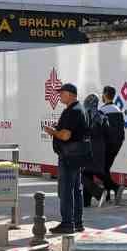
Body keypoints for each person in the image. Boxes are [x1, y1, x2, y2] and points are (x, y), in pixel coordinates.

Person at [46, 83, 90, 235]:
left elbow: (65, 135)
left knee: (66, 190)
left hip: (69, 156)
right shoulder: (78, 109)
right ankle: (77, 222)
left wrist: (52, 132)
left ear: (71, 94)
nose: (59, 95)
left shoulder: (74, 111)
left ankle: (67, 223)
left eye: (62, 93)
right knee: (76, 190)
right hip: (76, 156)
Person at [81, 93, 110, 209]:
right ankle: (86, 202)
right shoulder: (102, 116)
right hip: (100, 150)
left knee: (81, 174)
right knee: (87, 175)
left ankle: (98, 192)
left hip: (88, 148)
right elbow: (107, 133)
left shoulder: (85, 115)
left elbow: (83, 131)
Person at [99, 85, 126, 206]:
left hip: (106, 145)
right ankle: (108, 195)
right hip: (116, 145)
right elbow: (121, 132)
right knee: (105, 169)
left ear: (105, 94)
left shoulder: (103, 110)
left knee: (101, 169)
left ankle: (115, 188)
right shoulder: (118, 109)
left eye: (102, 94)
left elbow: (99, 129)